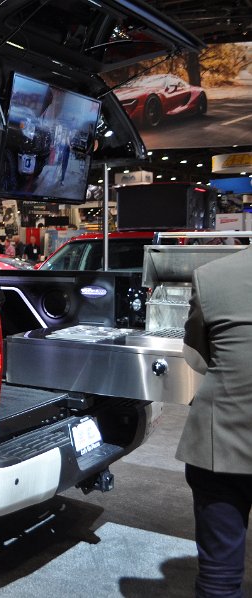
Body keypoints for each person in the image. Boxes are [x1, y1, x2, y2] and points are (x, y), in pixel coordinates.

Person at [176, 245, 252, 597]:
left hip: (221, 438)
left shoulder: (211, 275)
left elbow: (197, 356)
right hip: (221, 440)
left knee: (219, 576)